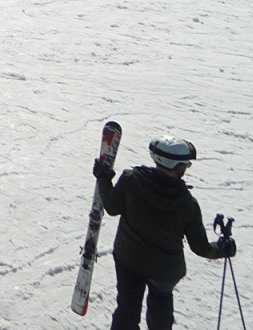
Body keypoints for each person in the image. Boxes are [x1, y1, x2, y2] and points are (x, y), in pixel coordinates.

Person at [96, 137, 233, 330]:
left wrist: (103, 179)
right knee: (161, 309)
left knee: (127, 309)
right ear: (178, 167)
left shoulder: (131, 179)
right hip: (165, 270)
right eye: (186, 164)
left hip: (129, 260)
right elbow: (200, 247)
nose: (187, 167)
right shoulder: (187, 203)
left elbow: (111, 207)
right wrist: (222, 249)